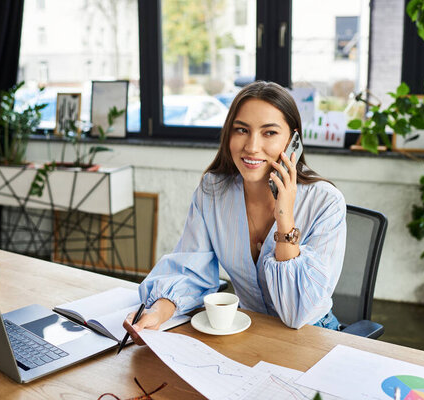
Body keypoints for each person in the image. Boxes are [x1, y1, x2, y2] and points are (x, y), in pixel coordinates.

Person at [123, 81, 346, 343]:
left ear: (293, 140)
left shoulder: (326, 203)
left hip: (311, 336)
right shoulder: (213, 191)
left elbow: (297, 314)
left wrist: (284, 219)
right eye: (242, 130)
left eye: (269, 133)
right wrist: (157, 314)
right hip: (247, 330)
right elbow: (190, 270)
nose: (251, 146)